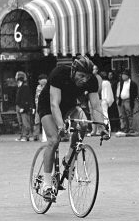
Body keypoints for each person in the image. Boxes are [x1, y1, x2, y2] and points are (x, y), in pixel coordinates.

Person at [37, 55, 109, 201]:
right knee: (54, 140)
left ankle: (69, 157)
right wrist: (60, 125)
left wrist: (102, 126)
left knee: (83, 123)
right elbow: (54, 104)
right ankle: (46, 184)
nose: (84, 80)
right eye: (81, 76)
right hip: (48, 106)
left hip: (69, 106)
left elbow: (95, 105)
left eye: (87, 77)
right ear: (73, 71)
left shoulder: (92, 81)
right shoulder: (59, 73)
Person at [116, 70, 138, 135]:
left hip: (128, 100)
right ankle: (126, 128)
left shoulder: (132, 83)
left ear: (127, 76)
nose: (123, 76)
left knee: (129, 115)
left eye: (124, 75)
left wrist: (132, 99)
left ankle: (131, 128)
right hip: (122, 100)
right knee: (123, 115)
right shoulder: (121, 83)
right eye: (122, 75)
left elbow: (135, 93)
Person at [15, 71, 34, 142]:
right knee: (21, 122)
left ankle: (26, 136)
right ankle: (22, 135)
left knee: (25, 122)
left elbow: (26, 98)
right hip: (19, 106)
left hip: (22, 107)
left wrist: (23, 107)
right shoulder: (20, 87)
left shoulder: (25, 87)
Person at [88, 65, 103, 137]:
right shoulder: (90, 77)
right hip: (90, 97)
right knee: (92, 114)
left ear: (97, 70)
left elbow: (99, 88)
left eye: (94, 69)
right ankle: (93, 130)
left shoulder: (98, 77)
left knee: (97, 113)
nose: (93, 70)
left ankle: (100, 130)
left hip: (96, 97)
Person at [33, 74, 47, 142]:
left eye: (39, 80)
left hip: (45, 106)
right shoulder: (38, 87)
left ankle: (46, 136)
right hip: (38, 106)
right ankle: (36, 136)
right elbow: (36, 97)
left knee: (45, 121)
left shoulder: (48, 87)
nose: (38, 81)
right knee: (37, 121)